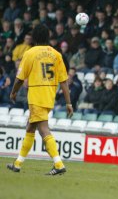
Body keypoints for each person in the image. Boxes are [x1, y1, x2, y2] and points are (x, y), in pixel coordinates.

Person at [6, 24, 73, 175]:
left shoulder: (30, 53)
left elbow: (19, 78)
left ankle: (59, 164)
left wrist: (13, 92)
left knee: (43, 129)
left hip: (36, 96)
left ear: (34, 37)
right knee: (30, 127)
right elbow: (64, 81)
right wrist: (68, 103)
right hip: (49, 96)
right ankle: (17, 164)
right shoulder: (56, 54)